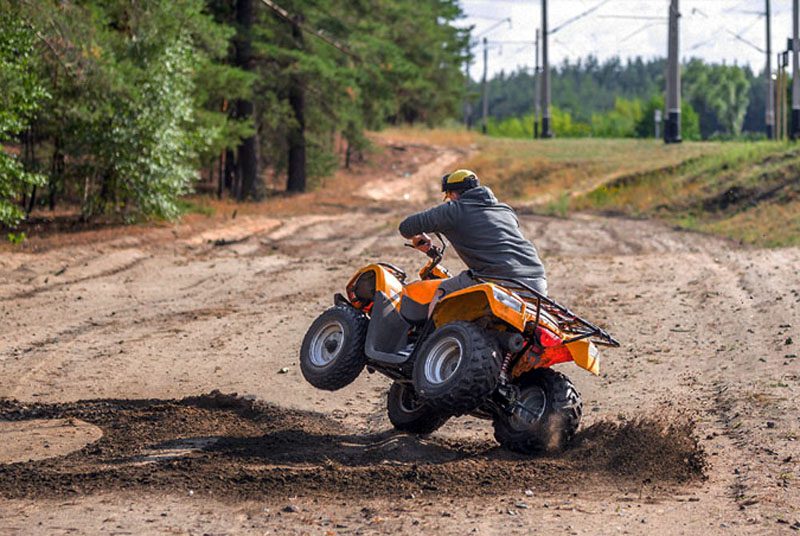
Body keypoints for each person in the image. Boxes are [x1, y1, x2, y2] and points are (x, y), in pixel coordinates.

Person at [398, 169, 547, 306]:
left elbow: (406, 227)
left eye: (448, 197)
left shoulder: (453, 210)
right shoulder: (505, 210)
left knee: (441, 292)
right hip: (538, 283)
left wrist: (419, 237)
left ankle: (436, 336)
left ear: (453, 194)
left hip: (499, 281)